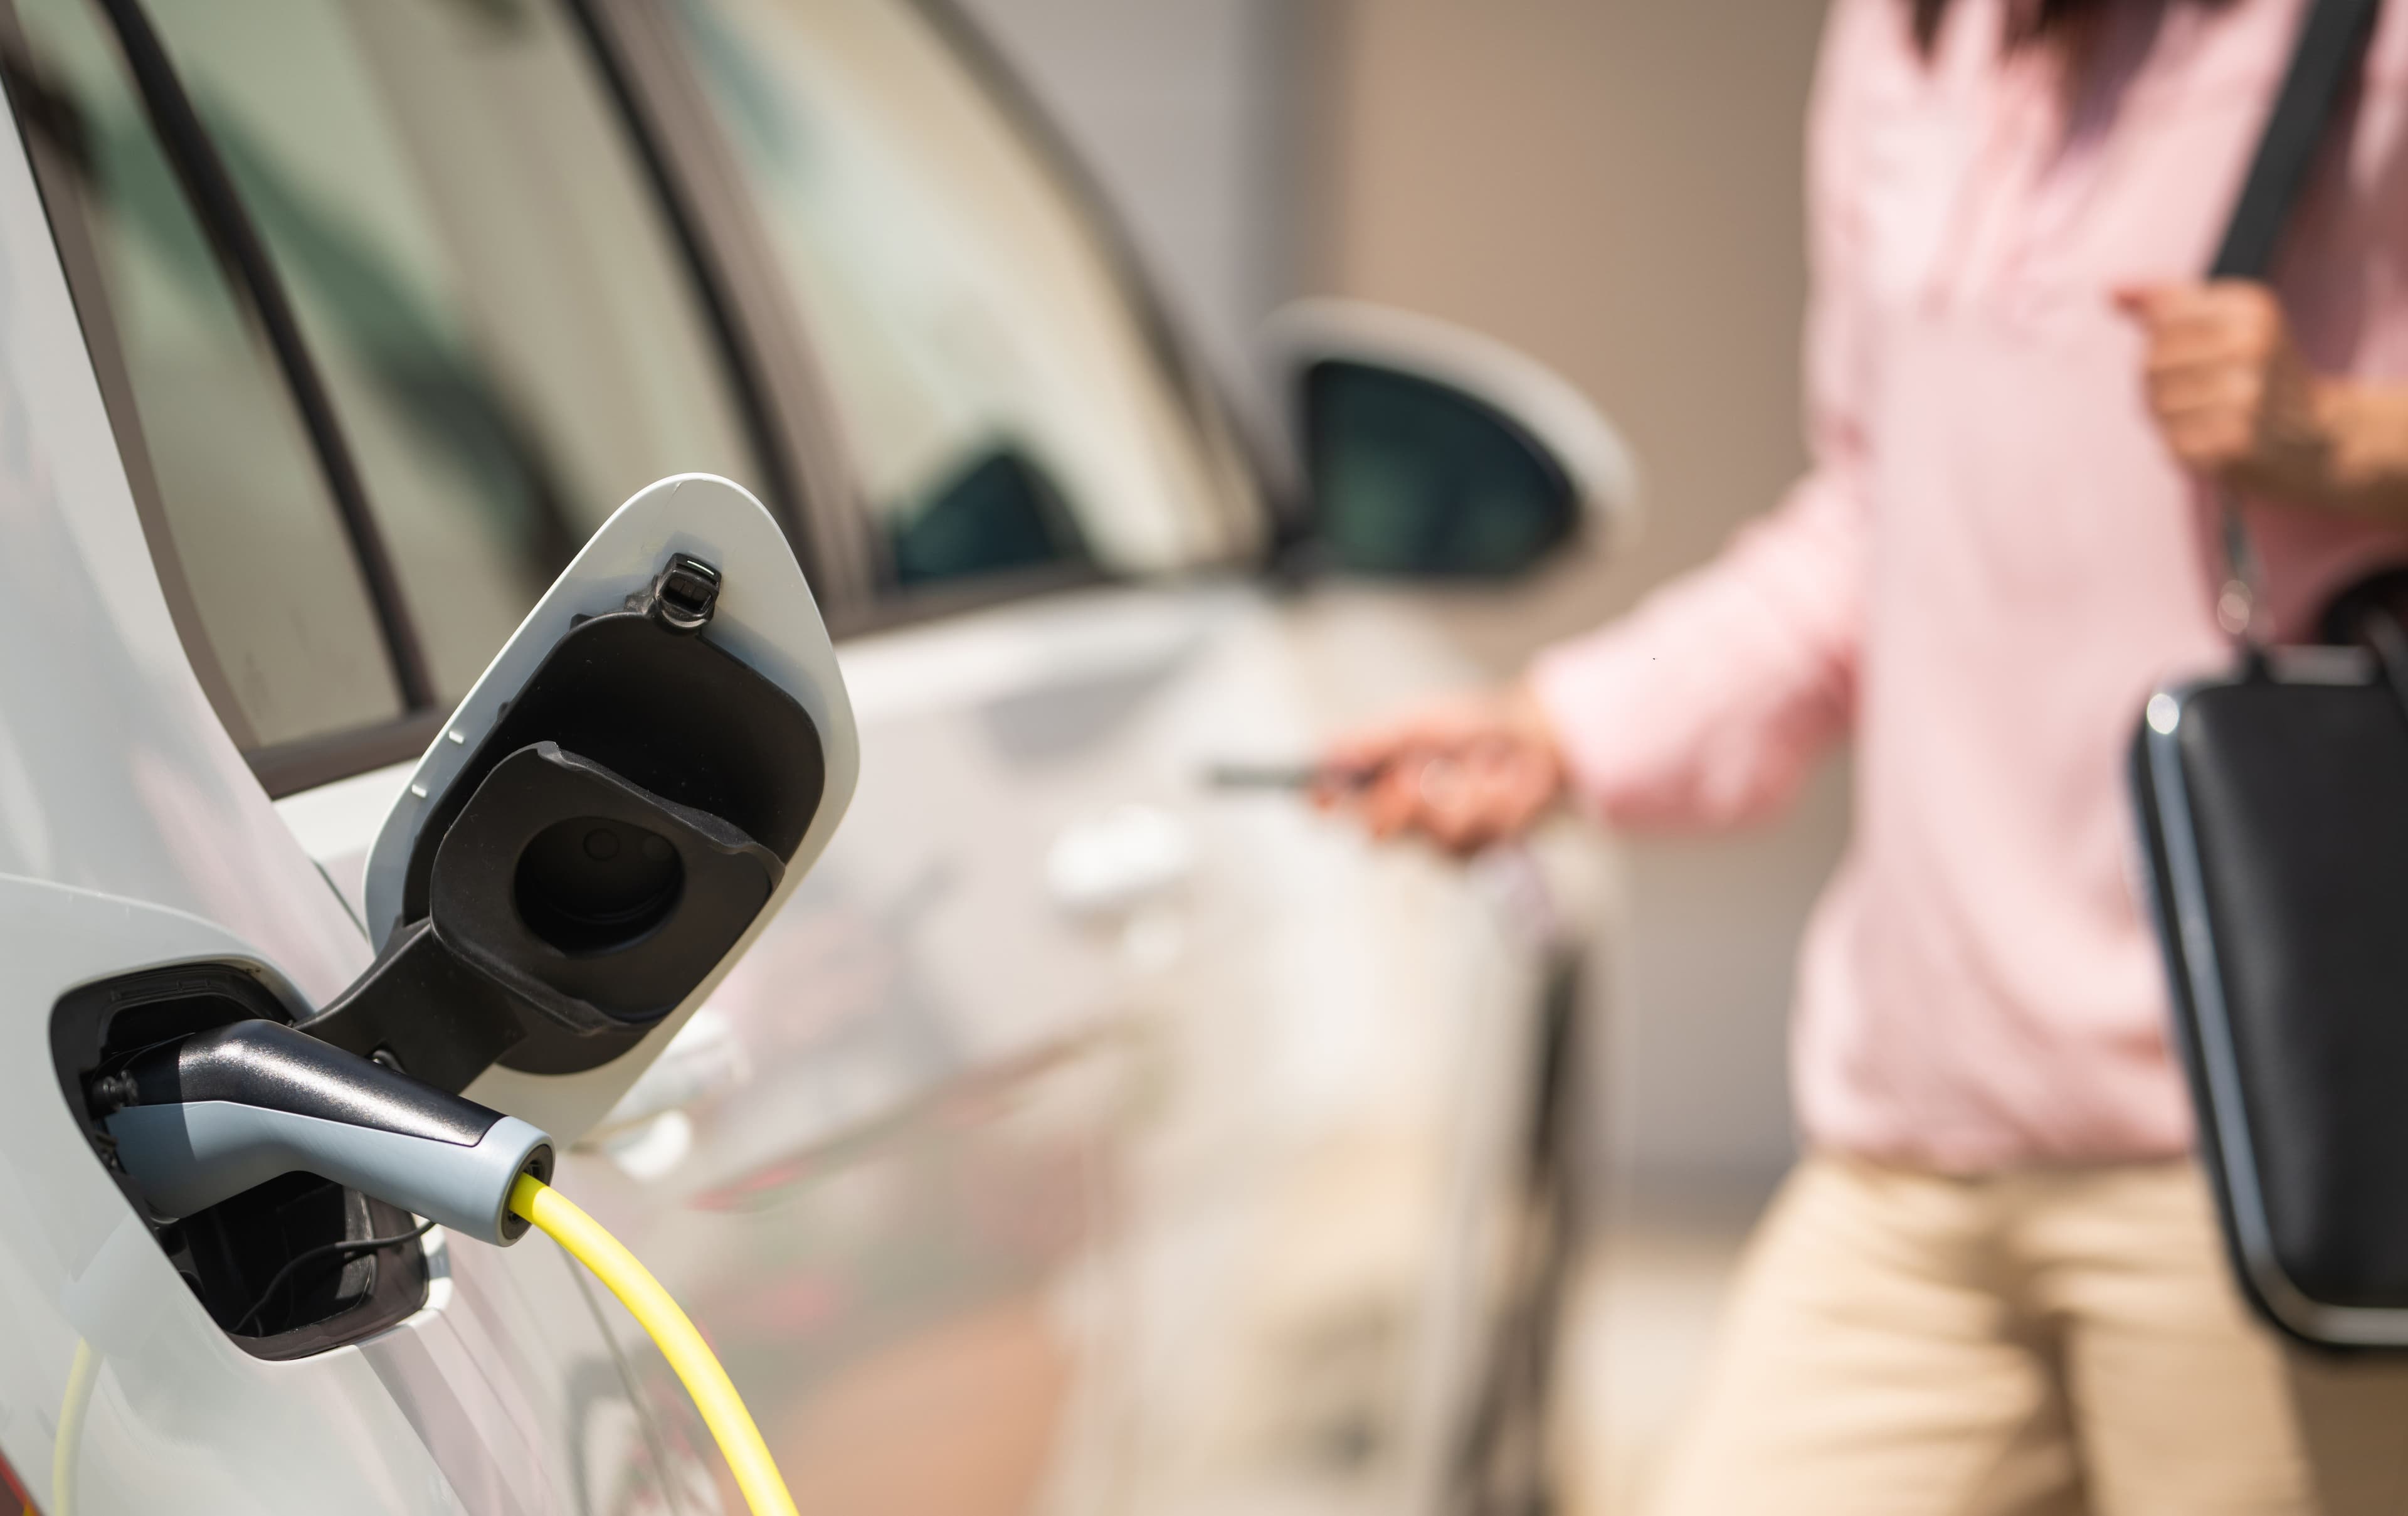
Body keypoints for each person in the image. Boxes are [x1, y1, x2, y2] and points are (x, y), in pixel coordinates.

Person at [1320, 0, 2408, 1510]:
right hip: (1916, 1135)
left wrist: (2345, 443)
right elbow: (1876, 519)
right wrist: (1567, 726)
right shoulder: (1904, 46)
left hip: (2251, 1148)